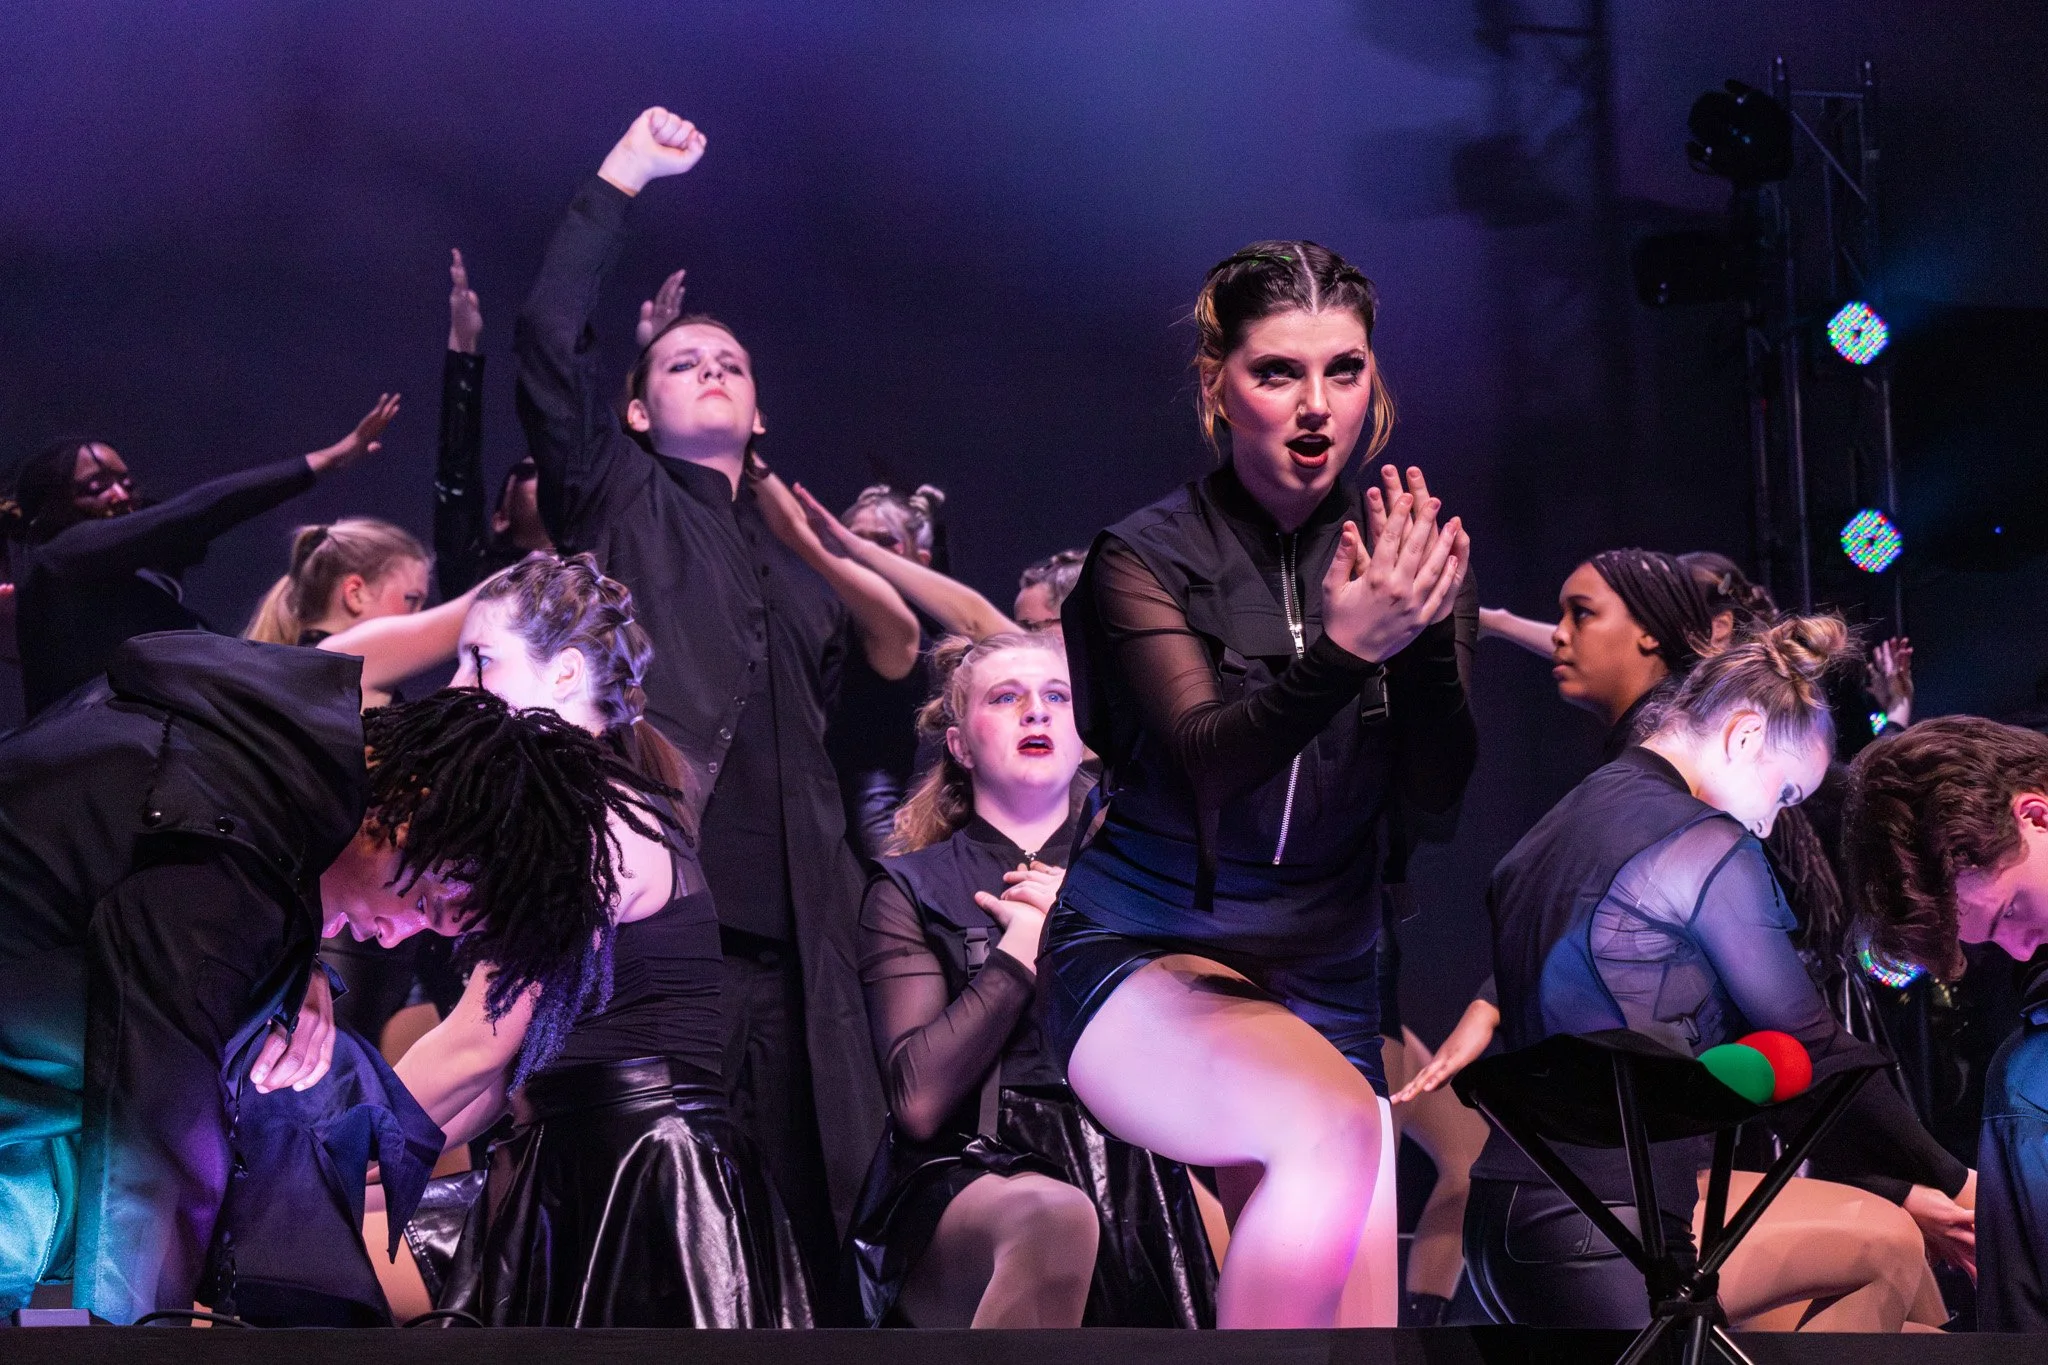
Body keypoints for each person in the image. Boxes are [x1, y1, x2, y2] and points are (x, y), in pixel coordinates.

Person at [1042, 240, 1477, 1329]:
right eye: (1278, 371)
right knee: (1329, 1129)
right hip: (1148, 949)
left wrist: (1421, 634)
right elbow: (1208, 760)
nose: (1316, 404)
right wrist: (1344, 651)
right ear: (1217, 385)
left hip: (1330, 973)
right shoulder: (1143, 556)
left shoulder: (1403, 554)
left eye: (1344, 369)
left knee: (1358, 1331)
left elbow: (1435, 796)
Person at [516, 105, 911, 1295]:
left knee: (808, 1238)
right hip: (659, 935)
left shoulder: (803, 574)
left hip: (800, 957)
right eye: (683, 362)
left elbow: (866, 722)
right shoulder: (618, 497)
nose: (713, 370)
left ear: (760, 412)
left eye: (732, 363)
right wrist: (620, 178)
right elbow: (549, 337)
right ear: (636, 413)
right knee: (662, 1237)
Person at [0, 631, 670, 1322]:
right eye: (427, 904)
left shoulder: (252, 765)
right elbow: (153, 1134)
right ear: (405, 810)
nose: (399, 935)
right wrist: (146, 1340)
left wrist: (299, 964)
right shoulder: (225, 861)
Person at [1468, 616, 1959, 1332]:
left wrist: (1905, 1180)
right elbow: (1813, 1052)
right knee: (1888, 1241)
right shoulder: (1701, 841)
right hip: (1614, 1232)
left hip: (1506, 1226)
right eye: (1785, 795)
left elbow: (1748, 1071)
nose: (1768, 826)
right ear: (1746, 736)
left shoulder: (1556, 827)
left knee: (1913, 1323)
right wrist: (1957, 1180)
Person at [384, 554, 809, 1327]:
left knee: (306, 1246)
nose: (456, 686)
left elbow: (477, 1042)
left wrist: (330, 1141)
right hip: (583, 1159)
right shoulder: (589, 804)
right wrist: (366, 1156)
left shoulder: (588, 815)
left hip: (636, 1178)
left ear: (565, 673)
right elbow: (502, 1075)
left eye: (480, 659)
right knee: (323, 1232)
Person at [849, 632, 1216, 1328]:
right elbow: (918, 1104)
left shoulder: (1150, 877)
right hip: (972, 1169)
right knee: (1054, 1217)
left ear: (1086, 737)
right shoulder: (909, 886)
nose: (1036, 712)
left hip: (1135, 1171)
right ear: (959, 745)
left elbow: (1196, 1067)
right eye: (1005, 697)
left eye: (1057, 696)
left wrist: (1078, 921)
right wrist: (1021, 948)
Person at [8, 397, 400, 717]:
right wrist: (328, 459)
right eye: (96, 487)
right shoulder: (59, 557)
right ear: (52, 505)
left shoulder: (129, 582)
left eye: (126, 483)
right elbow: (196, 512)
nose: (121, 496)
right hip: (86, 761)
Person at [434, 249, 554, 600]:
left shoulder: (605, 577)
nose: (551, 476)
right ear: (500, 518)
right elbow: (457, 478)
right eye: (531, 472)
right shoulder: (478, 581)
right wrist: (463, 349)